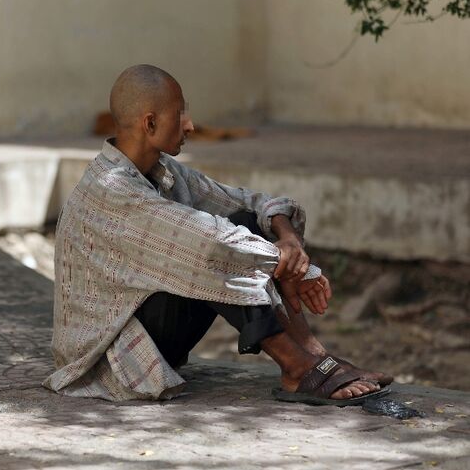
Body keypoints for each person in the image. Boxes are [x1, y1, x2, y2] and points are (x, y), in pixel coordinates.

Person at [43, 64, 391, 406]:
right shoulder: (111, 190)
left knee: (240, 224)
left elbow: (254, 204)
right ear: (150, 123)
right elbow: (209, 243)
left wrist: (289, 243)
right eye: (180, 115)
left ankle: (314, 356)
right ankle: (297, 366)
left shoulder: (165, 171)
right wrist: (300, 269)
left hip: (156, 327)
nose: (191, 125)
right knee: (210, 249)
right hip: (113, 354)